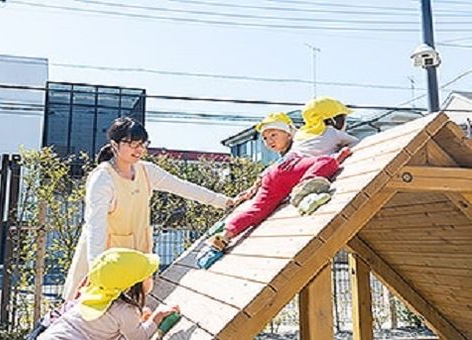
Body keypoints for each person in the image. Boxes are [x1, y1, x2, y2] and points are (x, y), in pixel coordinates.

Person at [63, 117, 239, 300]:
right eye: (132, 144)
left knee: (130, 317)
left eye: (142, 144)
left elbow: (183, 187)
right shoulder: (103, 178)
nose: (139, 150)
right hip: (106, 260)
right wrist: (97, 270)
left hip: (136, 257)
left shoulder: (145, 170)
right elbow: (95, 227)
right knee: (94, 317)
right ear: (114, 144)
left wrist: (225, 202)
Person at [198, 98, 357, 268]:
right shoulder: (332, 132)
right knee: (328, 161)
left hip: (274, 173)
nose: (269, 141)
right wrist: (340, 155)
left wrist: (254, 187)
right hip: (294, 170)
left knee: (257, 210)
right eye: (266, 138)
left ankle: (224, 235)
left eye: (273, 135)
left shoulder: (302, 136)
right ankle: (306, 187)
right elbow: (357, 143)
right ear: (334, 119)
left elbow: (280, 163)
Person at [38, 248, 179, 340]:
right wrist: (157, 317)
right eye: (149, 275)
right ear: (133, 284)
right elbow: (140, 337)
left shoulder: (89, 297)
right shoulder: (125, 311)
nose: (152, 278)